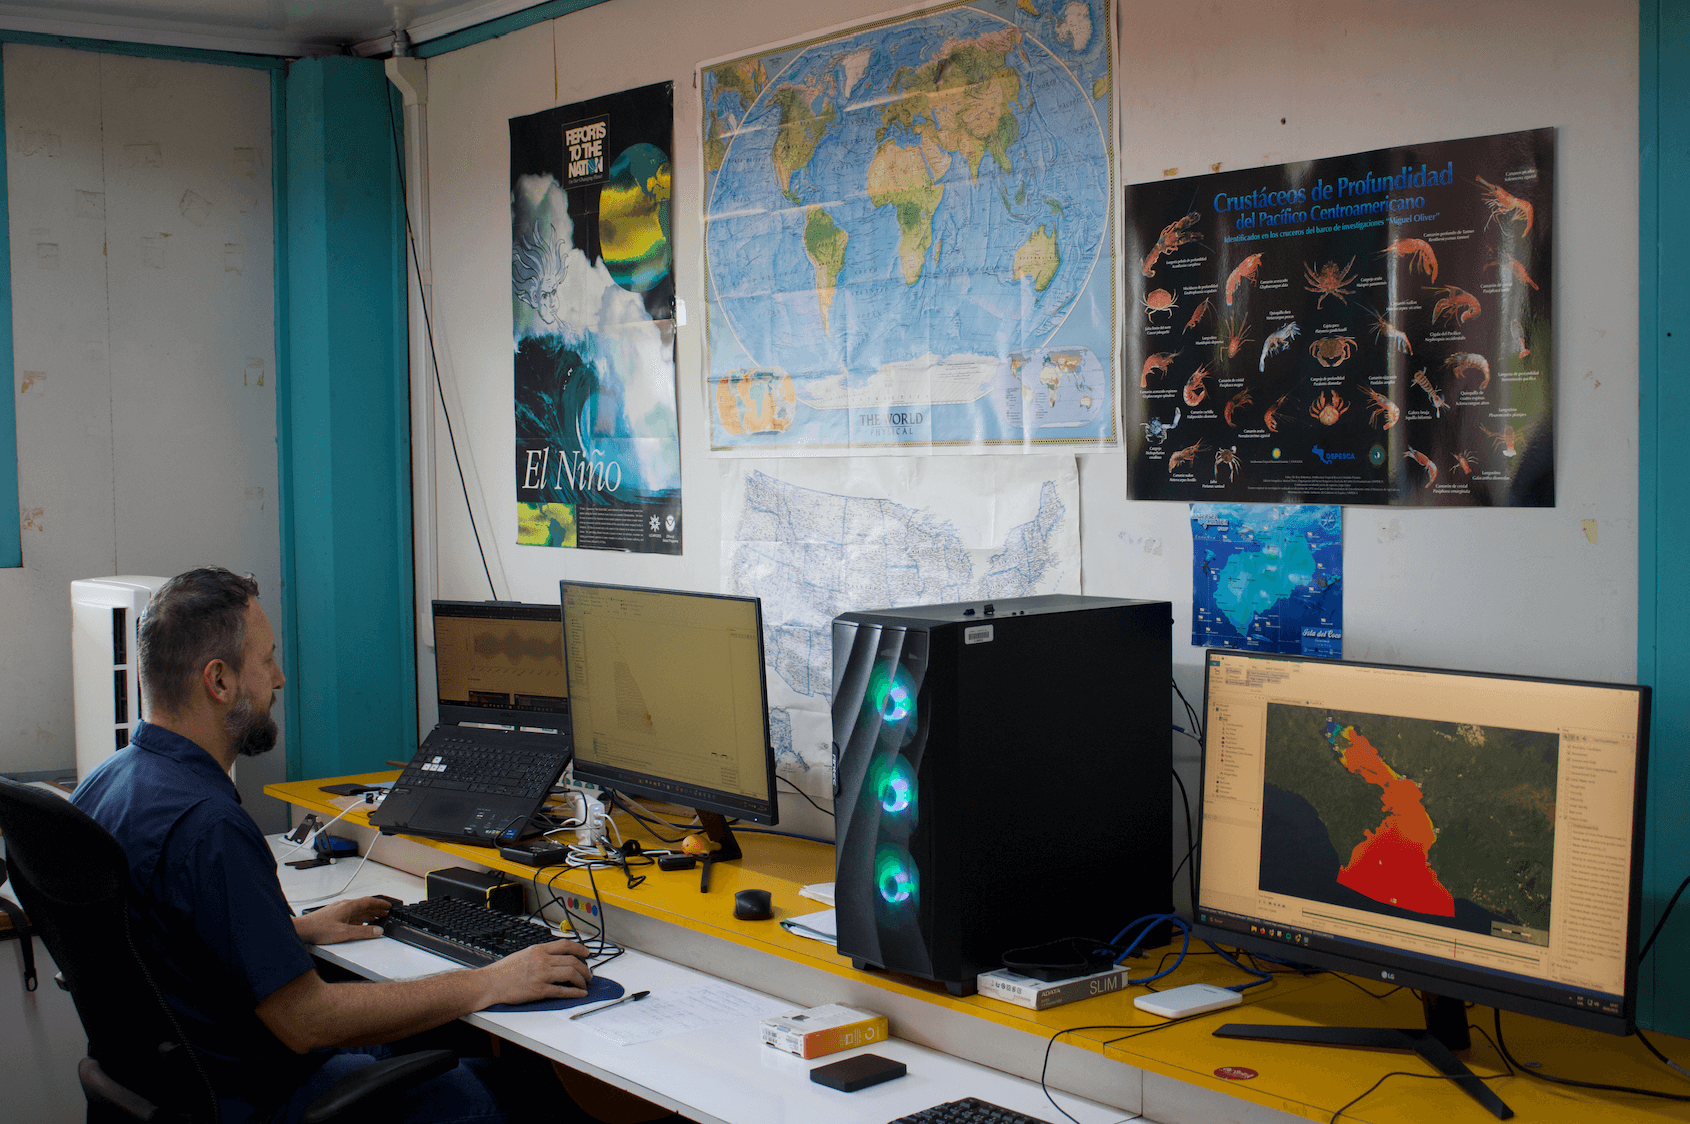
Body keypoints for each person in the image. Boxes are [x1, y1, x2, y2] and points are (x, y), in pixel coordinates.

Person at [73, 567, 595, 1123]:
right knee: (514, 1091)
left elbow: (156, 938)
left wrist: (292, 930)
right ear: (219, 681)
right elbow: (307, 1021)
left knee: (435, 1044)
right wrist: (490, 980)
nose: (277, 679)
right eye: (267, 659)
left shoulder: (104, 786)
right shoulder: (208, 825)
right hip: (259, 1096)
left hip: (184, 1085)